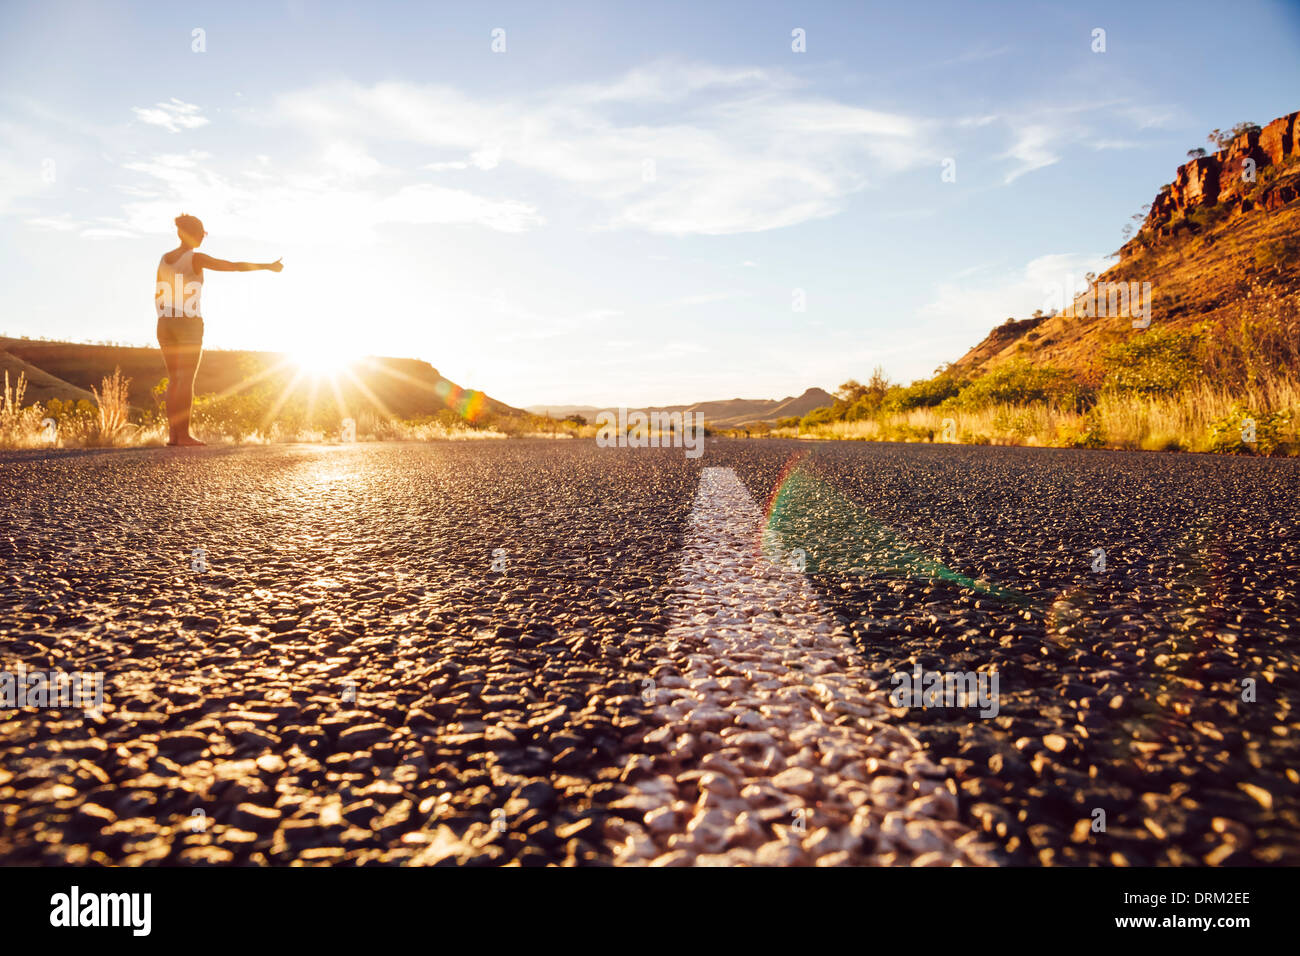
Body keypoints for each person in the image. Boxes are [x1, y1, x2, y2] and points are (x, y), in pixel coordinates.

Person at [154, 214, 283, 446]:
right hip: (188, 322)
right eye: (201, 234)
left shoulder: (164, 258)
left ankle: (173, 436)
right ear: (192, 234)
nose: (202, 238)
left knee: (174, 380)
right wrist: (267, 266)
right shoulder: (195, 258)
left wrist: (167, 316)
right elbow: (232, 267)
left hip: (165, 322)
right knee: (185, 380)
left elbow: (158, 293)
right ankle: (183, 436)